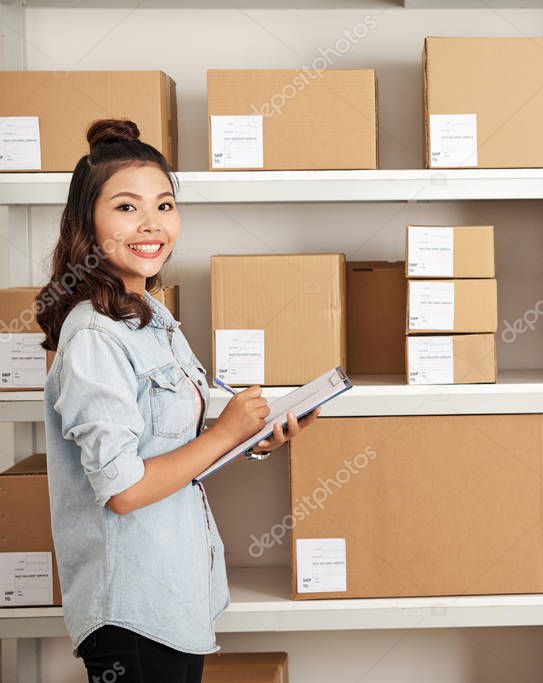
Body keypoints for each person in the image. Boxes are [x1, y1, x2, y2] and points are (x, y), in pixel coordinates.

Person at [35, 118, 319, 683]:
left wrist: (252, 438)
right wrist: (224, 432)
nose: (151, 224)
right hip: (133, 612)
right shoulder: (94, 335)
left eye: (165, 205)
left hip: (175, 594)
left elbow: (172, 450)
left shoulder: (151, 315)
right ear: (86, 225)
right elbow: (122, 489)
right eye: (125, 207)